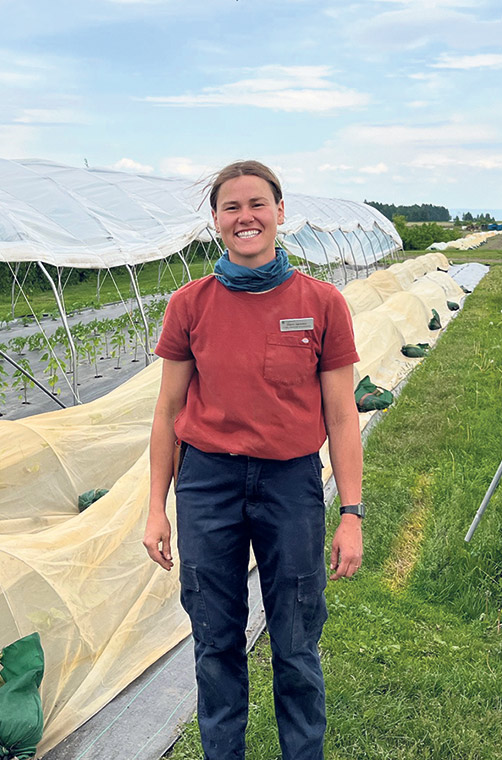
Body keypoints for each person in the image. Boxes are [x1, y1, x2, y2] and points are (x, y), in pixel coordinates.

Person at [142, 160, 364, 760]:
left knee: (296, 639)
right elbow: (167, 412)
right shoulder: (190, 305)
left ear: (280, 212)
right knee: (215, 640)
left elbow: (342, 416)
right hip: (207, 485)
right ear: (216, 221)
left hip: (289, 483)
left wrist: (352, 513)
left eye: (257, 204)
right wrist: (156, 509)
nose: (246, 217)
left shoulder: (321, 304)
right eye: (232, 207)